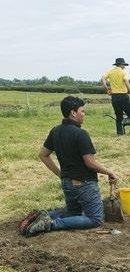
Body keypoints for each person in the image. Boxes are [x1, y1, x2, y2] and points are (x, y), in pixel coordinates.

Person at [21, 96, 118, 236]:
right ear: (73, 113)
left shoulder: (55, 131)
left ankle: (42, 216)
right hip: (84, 184)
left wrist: (60, 174)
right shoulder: (81, 134)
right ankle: (50, 224)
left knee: (73, 213)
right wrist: (109, 172)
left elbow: (43, 154)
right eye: (82, 111)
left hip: (67, 183)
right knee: (95, 219)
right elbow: (90, 162)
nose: (84, 114)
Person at [101, 57, 130, 136]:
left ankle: (120, 134)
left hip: (114, 97)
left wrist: (107, 89)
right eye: (124, 65)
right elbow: (127, 83)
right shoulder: (123, 72)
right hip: (124, 97)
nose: (124, 67)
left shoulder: (110, 72)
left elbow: (102, 79)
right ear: (121, 64)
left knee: (119, 116)